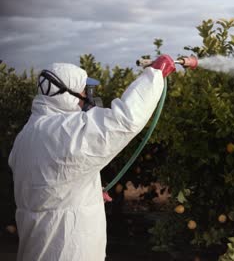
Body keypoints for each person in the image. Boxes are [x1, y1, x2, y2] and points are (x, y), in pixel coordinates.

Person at [8, 55, 176, 260]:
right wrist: (154, 74)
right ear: (66, 95)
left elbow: (51, 185)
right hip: (67, 248)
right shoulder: (66, 131)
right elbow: (124, 120)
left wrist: (88, 193)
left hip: (36, 245)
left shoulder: (27, 135)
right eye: (83, 91)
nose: (87, 96)